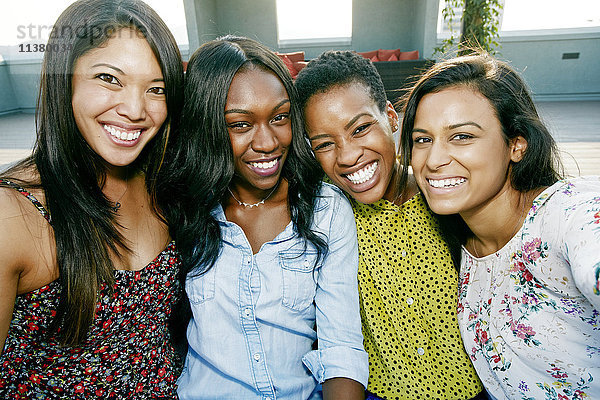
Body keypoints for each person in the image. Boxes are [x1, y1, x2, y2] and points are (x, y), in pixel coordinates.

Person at [166, 36, 368, 400]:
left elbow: (342, 347)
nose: (268, 142)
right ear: (208, 127)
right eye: (241, 124)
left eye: (279, 118)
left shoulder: (326, 209)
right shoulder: (183, 206)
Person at [0, 0, 184, 397]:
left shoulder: (163, 184)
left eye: (157, 89)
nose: (136, 110)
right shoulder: (11, 214)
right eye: (109, 78)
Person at [399, 52, 600, 399]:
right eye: (422, 139)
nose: (433, 160)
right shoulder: (461, 244)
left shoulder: (563, 214)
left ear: (516, 144)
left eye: (461, 136)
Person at [295, 50, 484, 400]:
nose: (348, 155)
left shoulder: (447, 196)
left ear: (392, 118)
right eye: (324, 144)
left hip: (475, 390)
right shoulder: (328, 220)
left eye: (361, 128)